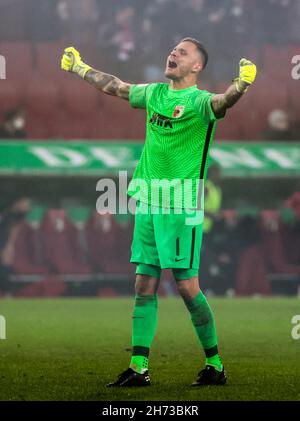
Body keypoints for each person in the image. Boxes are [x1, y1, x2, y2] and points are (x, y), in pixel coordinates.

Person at [61, 38, 257, 387]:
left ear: (197, 66)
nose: (173, 54)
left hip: (182, 206)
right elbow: (116, 86)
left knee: (187, 287)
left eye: (182, 52)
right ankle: (139, 367)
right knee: (144, 283)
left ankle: (215, 365)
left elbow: (223, 101)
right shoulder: (154, 94)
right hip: (149, 203)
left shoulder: (198, 102)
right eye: (172, 50)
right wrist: (79, 67)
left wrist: (240, 85)